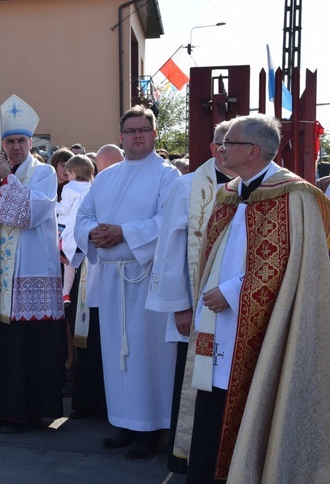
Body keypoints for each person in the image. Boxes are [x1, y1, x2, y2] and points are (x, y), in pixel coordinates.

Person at [174, 114, 330, 482]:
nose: (221, 150)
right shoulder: (229, 192)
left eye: (228, 144)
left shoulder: (295, 195)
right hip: (216, 318)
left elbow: (289, 263)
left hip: (263, 321)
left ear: (253, 151)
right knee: (212, 395)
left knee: (252, 396)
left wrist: (230, 293)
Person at [75, 105, 179, 457]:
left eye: (144, 130)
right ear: (121, 137)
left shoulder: (167, 176)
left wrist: (123, 233)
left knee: (149, 355)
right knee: (118, 355)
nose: (137, 135)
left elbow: (170, 220)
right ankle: (125, 422)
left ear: (153, 135)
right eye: (131, 130)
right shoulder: (106, 176)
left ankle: (152, 429)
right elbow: (84, 215)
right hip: (112, 279)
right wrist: (93, 233)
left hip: (148, 279)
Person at [0, 94, 64, 433]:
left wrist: (7, 178)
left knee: (29, 344)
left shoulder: (45, 172)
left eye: (22, 140)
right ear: (2, 143)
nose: (16, 146)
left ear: (31, 143)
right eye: (10, 140)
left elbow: (29, 214)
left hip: (32, 269)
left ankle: (32, 410)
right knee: (0, 341)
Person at [145, 120, 235, 474]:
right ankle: (189, 455)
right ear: (214, 149)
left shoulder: (259, 186)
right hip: (198, 306)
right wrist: (180, 305)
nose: (227, 151)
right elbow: (169, 250)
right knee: (196, 379)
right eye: (223, 145)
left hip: (236, 303)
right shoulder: (187, 186)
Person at [69, 144, 124, 420]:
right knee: (91, 340)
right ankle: (89, 401)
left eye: (113, 166)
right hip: (93, 271)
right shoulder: (92, 191)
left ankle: (113, 406)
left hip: (125, 276)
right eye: (103, 168)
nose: (108, 172)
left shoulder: (131, 191)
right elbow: (73, 228)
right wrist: (90, 234)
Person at [55, 154, 94, 306]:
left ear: (75, 173)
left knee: (67, 263)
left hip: (67, 229)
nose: (67, 175)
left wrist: (52, 204)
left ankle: (65, 293)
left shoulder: (69, 187)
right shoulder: (92, 186)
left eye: (69, 172)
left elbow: (63, 209)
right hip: (85, 230)